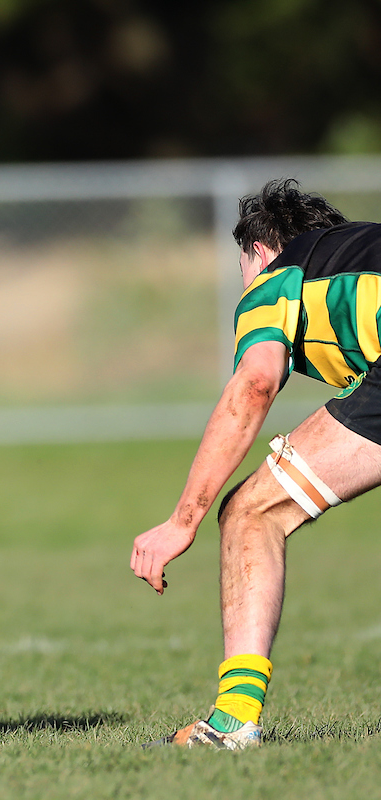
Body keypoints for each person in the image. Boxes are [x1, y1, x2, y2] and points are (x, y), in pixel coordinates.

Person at [131, 177, 366, 749]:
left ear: (258, 250)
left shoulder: (277, 274)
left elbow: (255, 383)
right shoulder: (362, 257)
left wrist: (181, 522)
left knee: (250, 513)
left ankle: (233, 723)